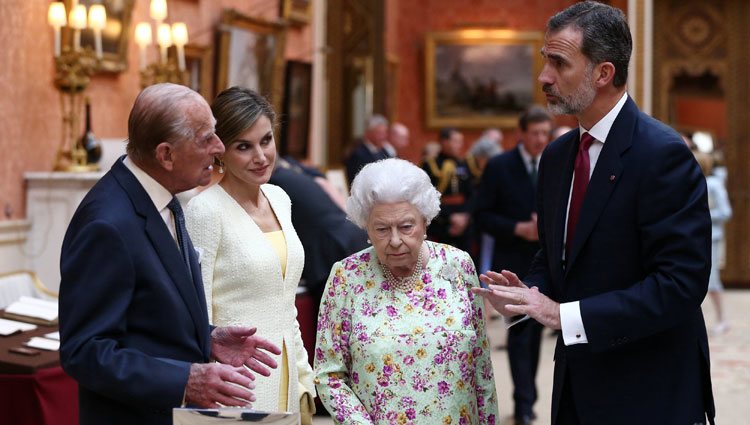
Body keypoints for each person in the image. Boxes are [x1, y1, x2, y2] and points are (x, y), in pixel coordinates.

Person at [473, 2, 715, 424]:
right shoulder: (557, 156)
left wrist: (562, 314)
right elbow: (557, 259)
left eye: (558, 63)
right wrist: (526, 293)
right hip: (577, 387)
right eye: (545, 61)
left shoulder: (663, 154)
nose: (543, 77)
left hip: (650, 389)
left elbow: (680, 284)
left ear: (603, 73)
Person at [59, 83, 282, 425]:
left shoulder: (164, 196)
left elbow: (148, 315)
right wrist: (184, 380)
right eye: (206, 138)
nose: (219, 148)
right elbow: (85, 351)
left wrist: (206, 336)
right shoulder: (107, 223)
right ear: (165, 155)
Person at [314, 158, 498, 424]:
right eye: (381, 229)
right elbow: (329, 375)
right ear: (366, 226)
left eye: (406, 226)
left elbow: (481, 364)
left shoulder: (457, 264)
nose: (396, 240)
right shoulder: (347, 276)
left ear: (425, 221)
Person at [185, 87, 315, 422]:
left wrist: (302, 375)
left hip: (286, 374)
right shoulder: (204, 210)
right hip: (234, 382)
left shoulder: (279, 198)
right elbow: (194, 312)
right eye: (244, 146)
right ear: (219, 151)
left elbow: (285, 302)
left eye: (266, 140)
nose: (261, 156)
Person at [475, 105, 554, 425]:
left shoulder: (555, 161)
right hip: (513, 264)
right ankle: (524, 403)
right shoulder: (499, 166)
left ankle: (530, 398)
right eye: (534, 133)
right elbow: (482, 215)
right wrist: (517, 228)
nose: (540, 139)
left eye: (544, 133)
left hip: (548, 261)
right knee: (520, 333)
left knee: (537, 334)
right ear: (521, 134)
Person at [694, 151, 732, 335]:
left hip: (712, 237)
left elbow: (725, 212)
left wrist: (701, 215)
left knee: (712, 280)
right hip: (694, 237)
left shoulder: (714, 185)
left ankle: (722, 319)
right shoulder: (689, 183)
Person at [423, 127, 473, 251]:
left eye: (460, 142)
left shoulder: (464, 164)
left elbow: (472, 193)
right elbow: (427, 196)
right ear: (444, 142)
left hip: (463, 222)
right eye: (456, 141)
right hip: (440, 222)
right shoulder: (430, 165)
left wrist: (465, 216)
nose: (459, 146)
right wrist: (450, 217)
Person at [344, 114, 393, 185]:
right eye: (380, 133)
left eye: (385, 132)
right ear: (368, 133)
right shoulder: (358, 154)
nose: (384, 137)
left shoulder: (384, 151)